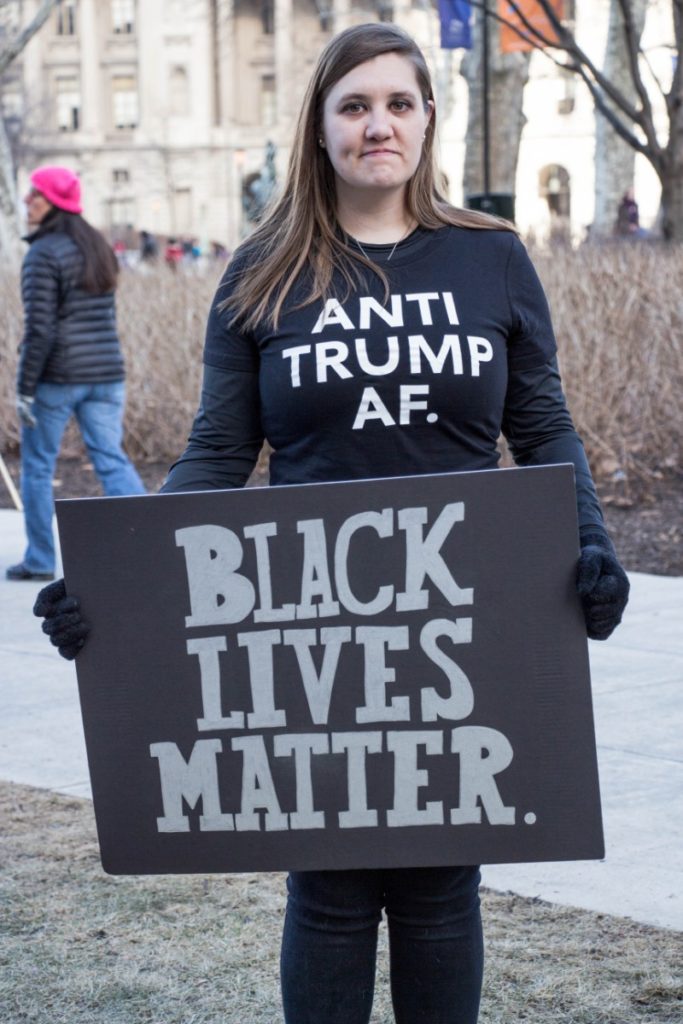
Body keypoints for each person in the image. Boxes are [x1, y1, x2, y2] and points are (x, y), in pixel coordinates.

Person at [34, 25, 629, 1023]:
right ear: (317, 128)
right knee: (331, 890)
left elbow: (544, 429)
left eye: (397, 103)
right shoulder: (263, 271)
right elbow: (217, 456)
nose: (376, 125)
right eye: (352, 106)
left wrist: (592, 545)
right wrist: (119, 580)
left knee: (442, 888)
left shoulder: (490, 259)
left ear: (427, 119)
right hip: (315, 629)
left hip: (459, 619)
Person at [7, 165, 145, 582]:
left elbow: (40, 329)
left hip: (58, 378)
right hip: (107, 374)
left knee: (37, 466)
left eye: (35, 196)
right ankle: (153, 543)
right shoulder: (97, 246)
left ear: (54, 205)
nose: (27, 202)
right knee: (110, 458)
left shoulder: (43, 253)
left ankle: (39, 558)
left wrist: (25, 389)